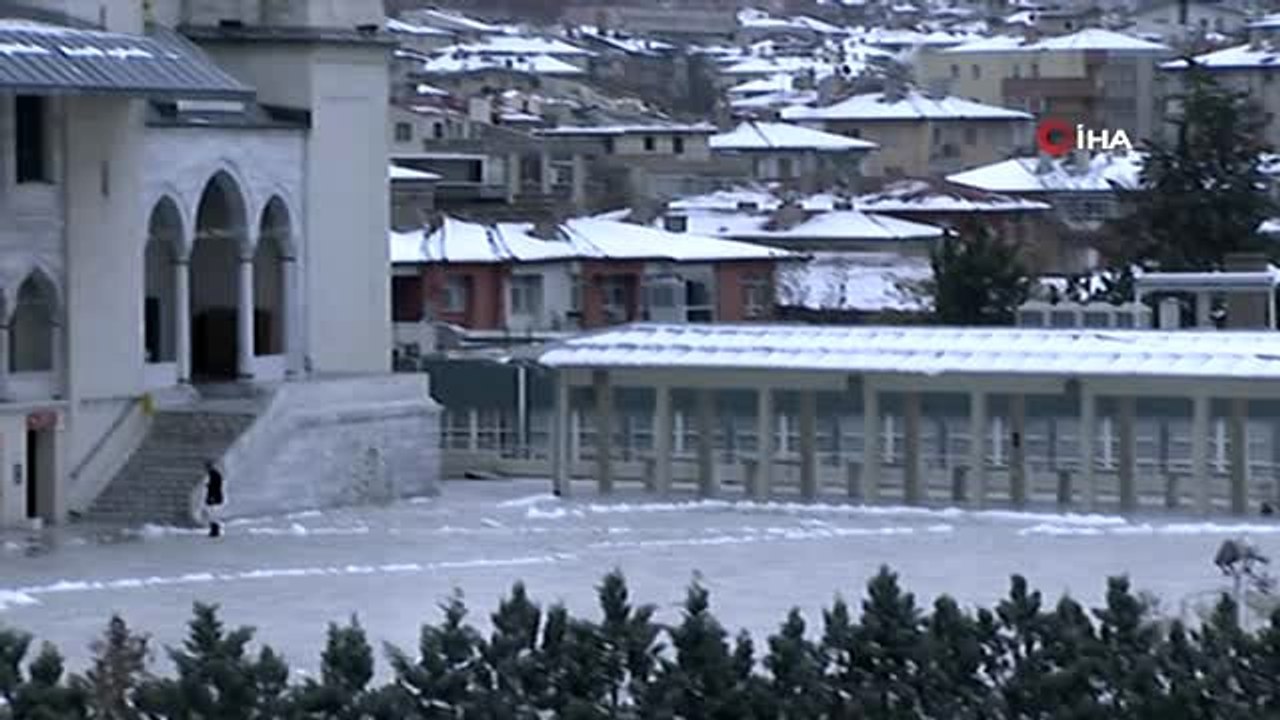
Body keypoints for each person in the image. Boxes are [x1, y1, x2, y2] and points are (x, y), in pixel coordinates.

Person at [203, 460, 225, 538]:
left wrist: (208, 486)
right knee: (213, 514)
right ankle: (214, 530)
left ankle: (215, 531)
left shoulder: (213, 475)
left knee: (213, 514)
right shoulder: (215, 474)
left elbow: (214, 487)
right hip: (216, 497)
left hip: (214, 498)